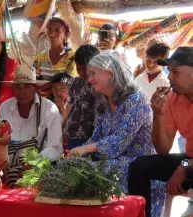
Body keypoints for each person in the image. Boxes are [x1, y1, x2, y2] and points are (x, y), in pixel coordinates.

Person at [67, 53, 156, 193]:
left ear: (109, 74)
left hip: (139, 165)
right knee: (73, 168)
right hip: (113, 163)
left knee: (88, 173)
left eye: (93, 74)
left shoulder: (136, 100)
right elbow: (96, 137)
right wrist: (76, 154)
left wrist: (85, 149)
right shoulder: (103, 102)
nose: (89, 80)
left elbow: (119, 143)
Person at [128, 47, 193, 217]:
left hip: (188, 164)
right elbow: (163, 150)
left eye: (176, 72)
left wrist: (182, 168)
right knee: (139, 166)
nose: (170, 77)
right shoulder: (174, 98)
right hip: (189, 161)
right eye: (169, 71)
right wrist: (158, 115)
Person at [0, 64, 63, 162]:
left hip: (39, 168)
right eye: (17, 87)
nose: (21, 92)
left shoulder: (49, 109)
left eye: (26, 87)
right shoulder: (5, 107)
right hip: (8, 166)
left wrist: (35, 162)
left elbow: (56, 148)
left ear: (35, 88)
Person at [66, 44, 100, 150]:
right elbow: (69, 107)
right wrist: (63, 127)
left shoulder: (99, 85)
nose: (81, 72)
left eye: (84, 68)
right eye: (78, 67)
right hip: (72, 134)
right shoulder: (75, 82)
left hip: (91, 137)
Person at [34, 17, 76, 96]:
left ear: (65, 35)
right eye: (49, 29)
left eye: (57, 30)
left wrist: (51, 85)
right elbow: (34, 78)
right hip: (43, 103)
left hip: (63, 103)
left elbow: (70, 80)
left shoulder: (72, 56)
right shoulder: (40, 57)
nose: (51, 34)